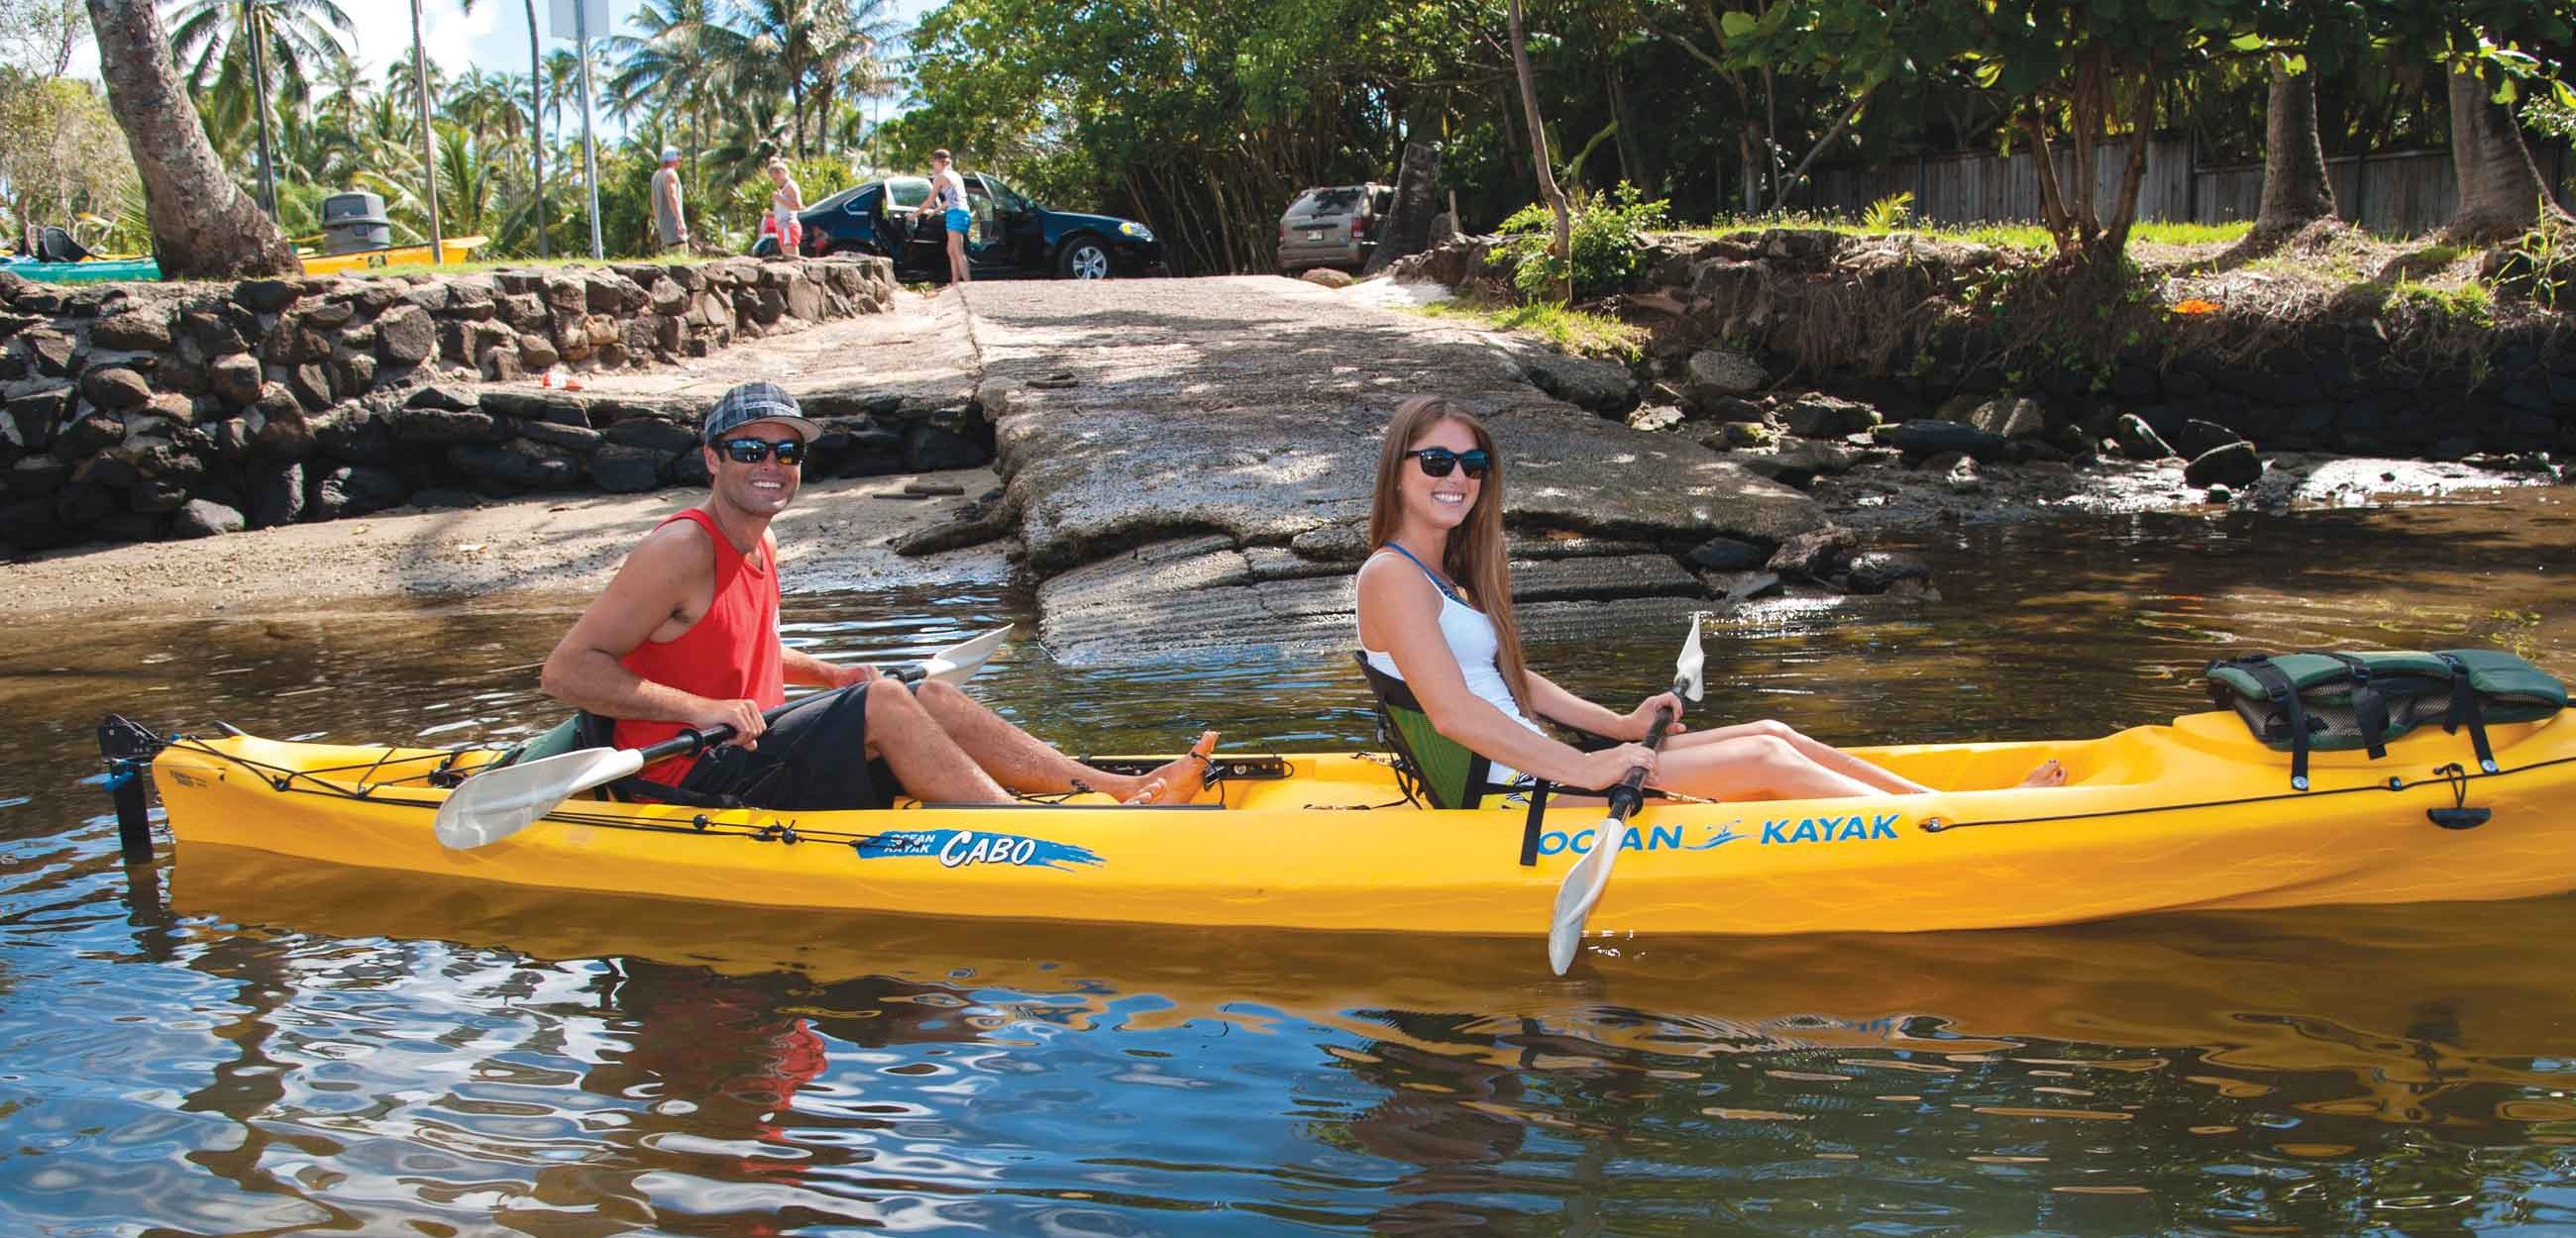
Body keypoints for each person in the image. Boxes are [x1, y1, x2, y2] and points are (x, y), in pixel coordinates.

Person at [540, 380, 1218, 810]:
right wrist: (704, 709)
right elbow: (569, 670)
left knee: (924, 692)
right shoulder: (680, 549)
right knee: (887, 702)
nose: (770, 466)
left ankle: (1123, 789)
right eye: (749, 450)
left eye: (786, 453)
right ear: (712, 459)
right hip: (687, 774)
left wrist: (830, 674)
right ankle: (1025, 837)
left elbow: (741, 646)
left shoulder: (759, 543)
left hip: (751, 751)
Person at [1354, 394, 2064, 803]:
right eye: (1438, 462)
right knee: (1764, 763)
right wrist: (1584, 765)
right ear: (1399, 472)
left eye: (1473, 465)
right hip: (1512, 792)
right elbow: (1450, 712)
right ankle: (1955, 829)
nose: (1459, 478)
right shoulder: (1392, 576)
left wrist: (1620, 727)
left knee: (1773, 732)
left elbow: (1509, 680)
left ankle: (1951, 810)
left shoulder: (1445, 575)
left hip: (1531, 764)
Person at [909, 148, 971, 285]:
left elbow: (929, 200)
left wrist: (915, 215)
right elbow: (951, 199)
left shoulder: (940, 177)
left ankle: (968, 285)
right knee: (951, 250)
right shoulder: (956, 175)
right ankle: (954, 283)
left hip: (955, 214)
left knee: (958, 252)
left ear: (939, 161)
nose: (932, 165)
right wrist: (935, 211)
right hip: (963, 213)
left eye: (933, 162)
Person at [651, 146, 690, 255]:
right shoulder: (670, 174)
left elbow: (653, 200)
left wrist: (657, 220)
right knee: (681, 255)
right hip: (673, 226)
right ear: (673, 159)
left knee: (669, 255)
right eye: (679, 159)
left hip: (663, 226)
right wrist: (680, 221)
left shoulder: (656, 175)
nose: (680, 162)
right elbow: (672, 196)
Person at [765, 157, 805, 258]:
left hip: (788, 225)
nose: (774, 182)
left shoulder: (791, 186)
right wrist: (771, 214)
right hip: (781, 226)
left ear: (781, 173)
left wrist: (779, 198)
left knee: (791, 256)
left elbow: (797, 206)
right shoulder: (782, 189)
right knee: (786, 256)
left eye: (775, 179)